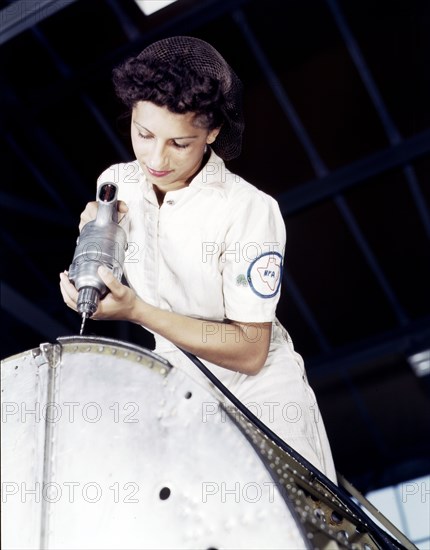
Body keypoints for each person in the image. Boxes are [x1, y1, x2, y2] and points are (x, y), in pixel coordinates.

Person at [59, 35, 337, 483]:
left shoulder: (246, 209)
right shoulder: (117, 181)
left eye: (180, 143)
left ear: (212, 133)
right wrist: (91, 257)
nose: (155, 158)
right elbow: (111, 250)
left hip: (263, 398)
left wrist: (136, 311)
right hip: (181, 391)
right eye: (143, 133)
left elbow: (250, 350)